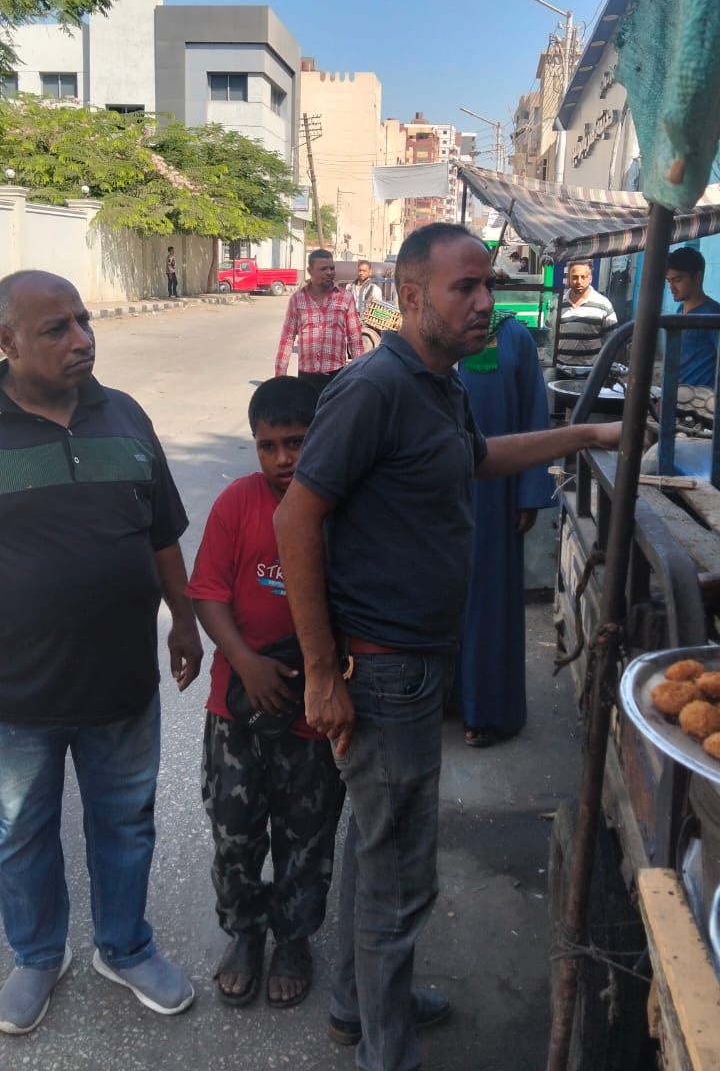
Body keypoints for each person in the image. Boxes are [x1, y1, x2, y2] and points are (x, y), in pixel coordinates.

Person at [273, 223, 622, 1071]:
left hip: (418, 659)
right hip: (381, 666)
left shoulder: (440, 384)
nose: (485, 302)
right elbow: (295, 518)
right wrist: (320, 673)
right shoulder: (375, 387)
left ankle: (361, 1005)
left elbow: (477, 458)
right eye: (464, 287)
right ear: (409, 295)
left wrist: (583, 436)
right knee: (399, 881)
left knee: (377, 846)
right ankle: (384, 1053)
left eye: (488, 285)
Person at [0, 270, 203, 1036]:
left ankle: (124, 946)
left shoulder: (124, 414)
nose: (82, 339)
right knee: (21, 832)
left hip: (123, 682)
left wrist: (183, 621)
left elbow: (162, 531)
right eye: (56, 328)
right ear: (7, 341)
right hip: (15, 694)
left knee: (125, 824)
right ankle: (36, 955)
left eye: (84, 321)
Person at [186, 377, 344, 1012]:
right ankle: (245, 934)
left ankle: (294, 939)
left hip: (313, 708)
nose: (282, 458)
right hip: (238, 707)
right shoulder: (237, 503)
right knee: (235, 832)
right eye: (267, 446)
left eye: (297, 442)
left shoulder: (341, 507)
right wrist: (245, 663)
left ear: (320, 438)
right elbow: (207, 593)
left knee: (307, 834)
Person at [453, 314, 555, 747]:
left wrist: (530, 492)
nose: (477, 297)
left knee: (489, 598)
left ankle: (489, 710)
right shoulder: (427, 328)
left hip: (495, 496)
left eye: (486, 284)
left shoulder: (513, 336)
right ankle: (442, 698)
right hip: (435, 490)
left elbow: (534, 412)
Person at [275, 248, 363, 395]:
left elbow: (355, 339)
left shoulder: (345, 297)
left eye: (332, 268)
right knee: (307, 410)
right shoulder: (297, 299)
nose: (329, 272)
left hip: (336, 376)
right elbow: (287, 339)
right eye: (323, 269)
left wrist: (360, 376)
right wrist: (280, 378)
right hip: (306, 378)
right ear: (310, 271)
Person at [665, 246, 720, 386]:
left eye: (677, 280)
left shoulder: (713, 316)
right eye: (669, 281)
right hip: (678, 394)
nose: (671, 287)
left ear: (697, 277)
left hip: (701, 398)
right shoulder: (680, 310)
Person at [556, 259, 617, 371]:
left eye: (583, 277)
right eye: (575, 277)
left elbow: (612, 340)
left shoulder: (603, 304)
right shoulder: (557, 303)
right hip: (560, 369)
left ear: (590, 278)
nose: (579, 281)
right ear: (569, 278)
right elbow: (550, 337)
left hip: (591, 372)